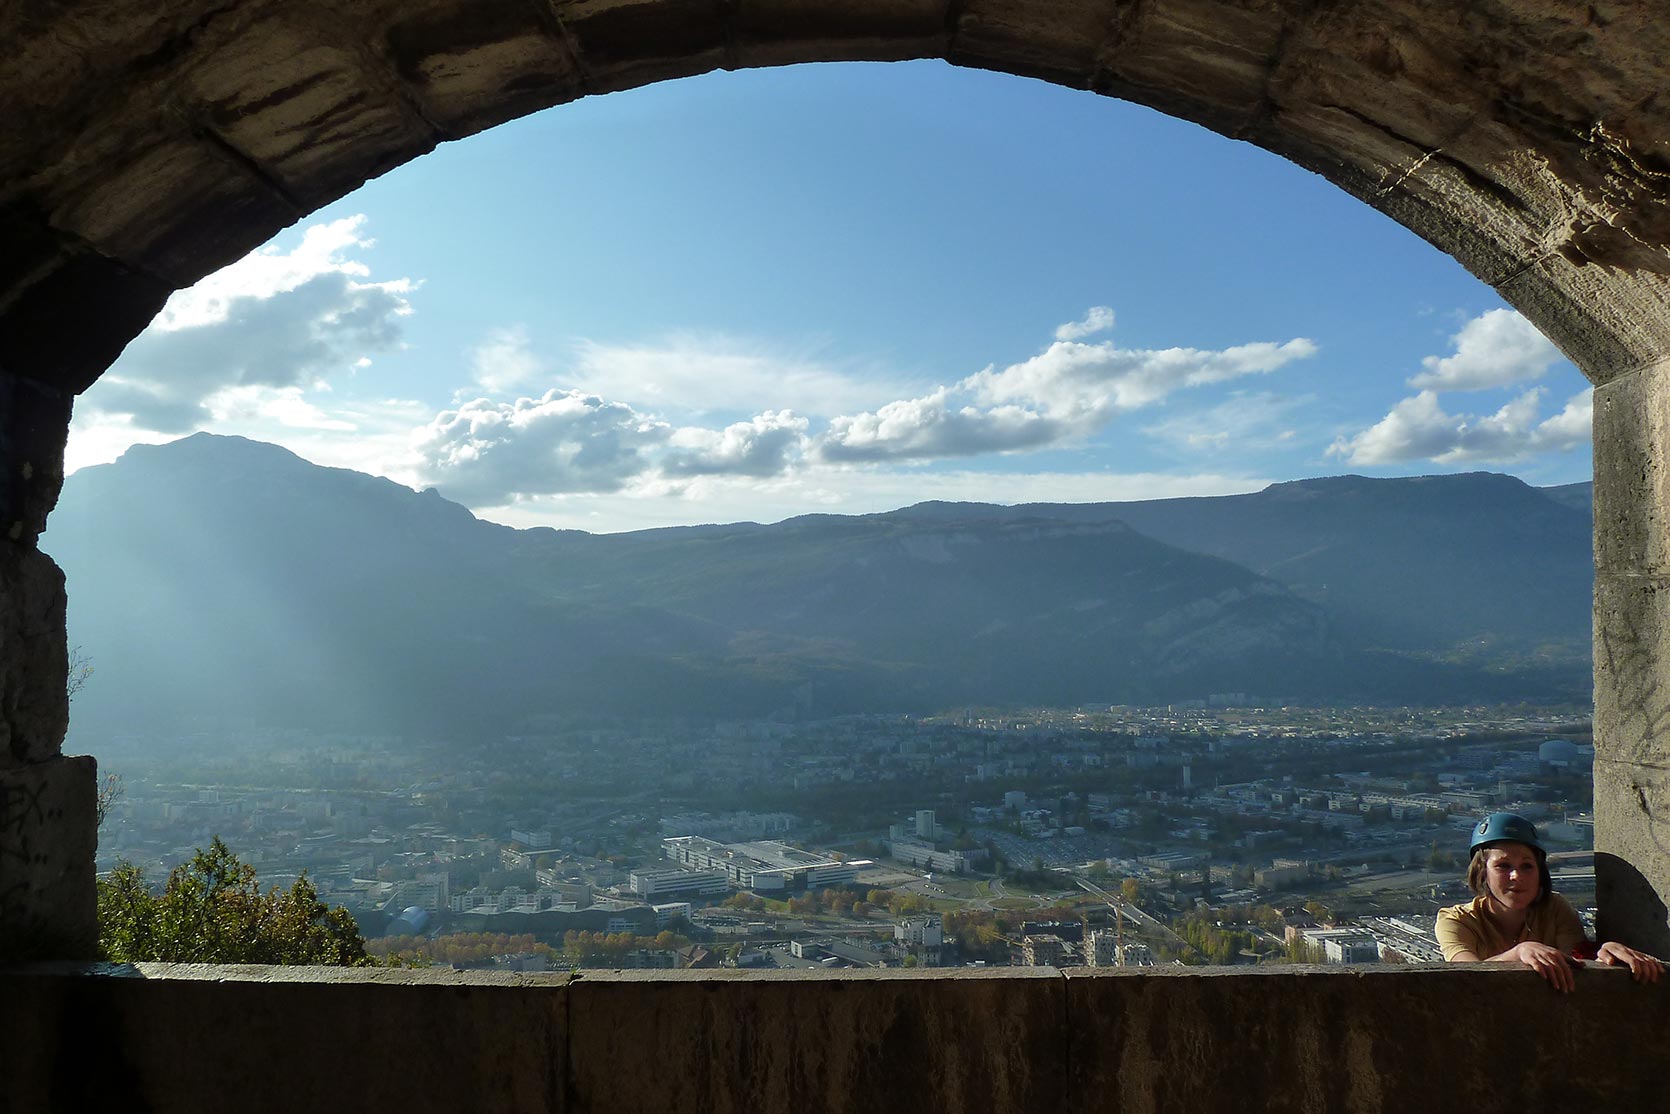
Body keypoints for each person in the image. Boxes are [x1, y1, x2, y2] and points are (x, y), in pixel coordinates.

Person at [1435, 812, 1662, 992]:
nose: (1517, 876)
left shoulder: (1554, 909)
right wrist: (1517, 954)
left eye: (1527, 866)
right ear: (1482, 873)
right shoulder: (1456, 920)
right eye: (1503, 866)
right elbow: (1465, 975)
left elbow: (1577, 963)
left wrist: (1605, 954)